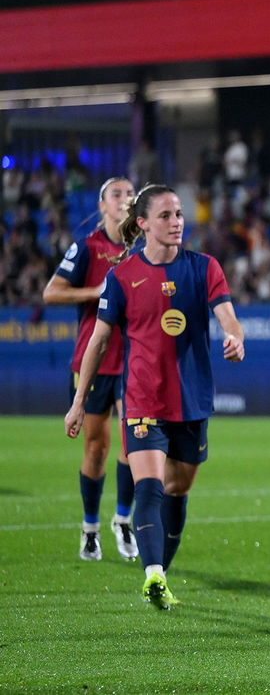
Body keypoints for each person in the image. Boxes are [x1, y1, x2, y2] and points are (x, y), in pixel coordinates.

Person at [64, 184, 245, 609]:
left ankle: (162, 567)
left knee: (177, 488)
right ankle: (153, 574)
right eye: (165, 215)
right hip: (142, 400)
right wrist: (78, 402)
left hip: (192, 399)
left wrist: (236, 338)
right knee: (149, 487)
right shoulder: (122, 276)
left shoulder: (204, 268)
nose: (176, 222)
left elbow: (228, 317)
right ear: (143, 223)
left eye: (179, 214)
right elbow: (99, 341)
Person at [44, 177, 139, 562]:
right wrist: (95, 292)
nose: (125, 199)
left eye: (130, 194)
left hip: (135, 360)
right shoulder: (87, 248)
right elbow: (52, 292)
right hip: (95, 360)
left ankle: (123, 519)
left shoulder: (145, 250)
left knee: (135, 445)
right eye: (116, 194)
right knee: (97, 448)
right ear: (102, 205)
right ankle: (90, 528)